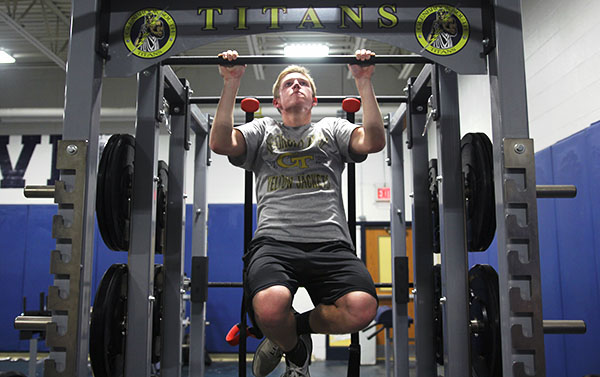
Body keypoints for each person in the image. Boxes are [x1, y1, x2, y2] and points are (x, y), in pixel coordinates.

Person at [210, 49, 385, 377]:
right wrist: (231, 82)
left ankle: (292, 331)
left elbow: (373, 141)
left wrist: (364, 80)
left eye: (302, 83)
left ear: (313, 99)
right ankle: (294, 347)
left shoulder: (332, 128)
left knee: (361, 308)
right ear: (276, 101)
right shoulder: (262, 130)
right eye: (288, 84)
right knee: (270, 305)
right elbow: (220, 143)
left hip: (331, 243)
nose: (295, 86)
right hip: (275, 243)